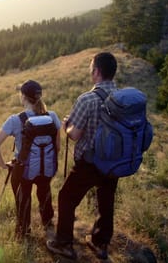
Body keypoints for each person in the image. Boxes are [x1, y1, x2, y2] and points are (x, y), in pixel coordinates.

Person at [46, 52, 119, 260]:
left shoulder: (87, 99)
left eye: (91, 69)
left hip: (90, 163)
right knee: (106, 198)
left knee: (66, 197)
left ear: (96, 71)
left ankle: (64, 244)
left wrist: (66, 127)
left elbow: (76, 135)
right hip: (114, 161)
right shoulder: (122, 98)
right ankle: (100, 243)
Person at [0, 79, 61, 239]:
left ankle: (24, 232)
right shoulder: (52, 116)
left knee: (23, 199)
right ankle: (48, 223)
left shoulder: (15, 120)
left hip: (23, 169)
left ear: (23, 97)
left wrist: (3, 165)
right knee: (44, 191)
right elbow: (57, 147)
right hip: (46, 167)